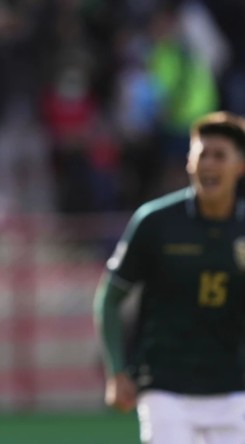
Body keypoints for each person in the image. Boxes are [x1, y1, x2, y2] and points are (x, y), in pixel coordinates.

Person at [94, 111, 245, 443]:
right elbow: (110, 298)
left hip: (235, 389)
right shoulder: (155, 222)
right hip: (165, 389)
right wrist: (117, 372)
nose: (209, 164)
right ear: (189, 162)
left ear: (240, 166)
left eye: (220, 155)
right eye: (202, 154)